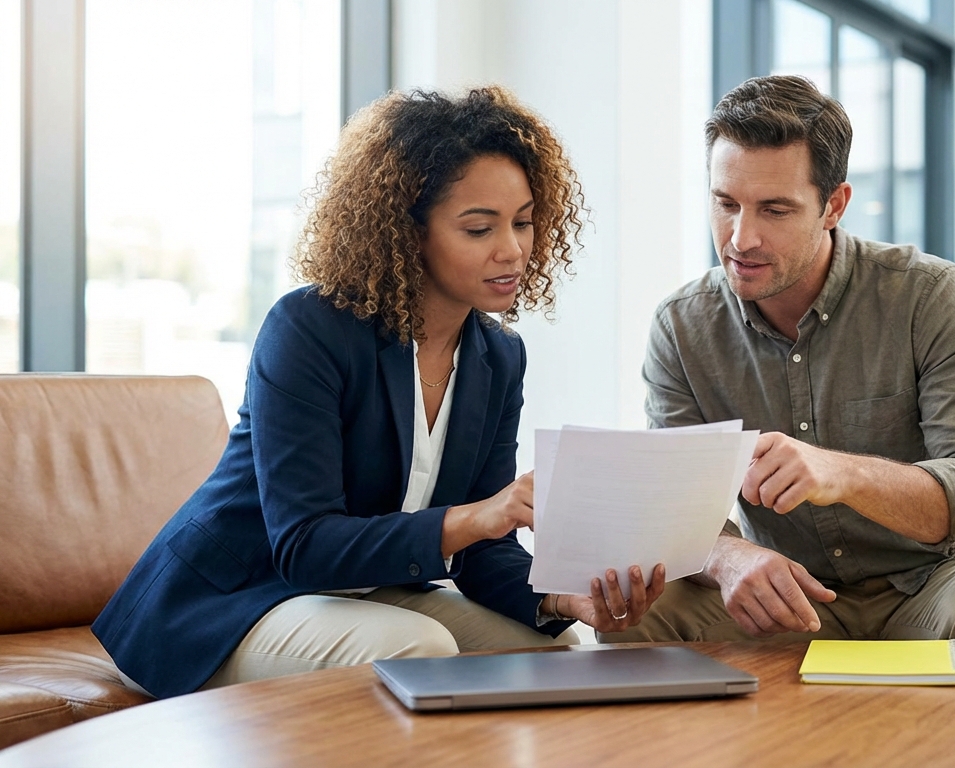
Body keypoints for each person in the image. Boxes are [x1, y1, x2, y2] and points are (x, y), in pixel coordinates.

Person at [94, 88, 666, 699]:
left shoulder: (498, 357)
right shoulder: (308, 329)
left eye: (524, 222)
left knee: (552, 647)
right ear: (406, 232)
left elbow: (481, 550)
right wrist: (476, 516)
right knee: (422, 651)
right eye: (479, 228)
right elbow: (304, 544)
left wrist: (561, 596)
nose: (513, 250)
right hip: (227, 605)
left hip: (360, 597)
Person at [599, 75, 955, 656]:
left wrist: (844, 474)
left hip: (933, 585)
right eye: (725, 204)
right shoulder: (682, 326)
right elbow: (674, 507)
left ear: (833, 206)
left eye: (775, 209)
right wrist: (730, 555)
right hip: (789, 601)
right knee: (639, 613)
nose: (741, 237)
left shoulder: (929, 295)